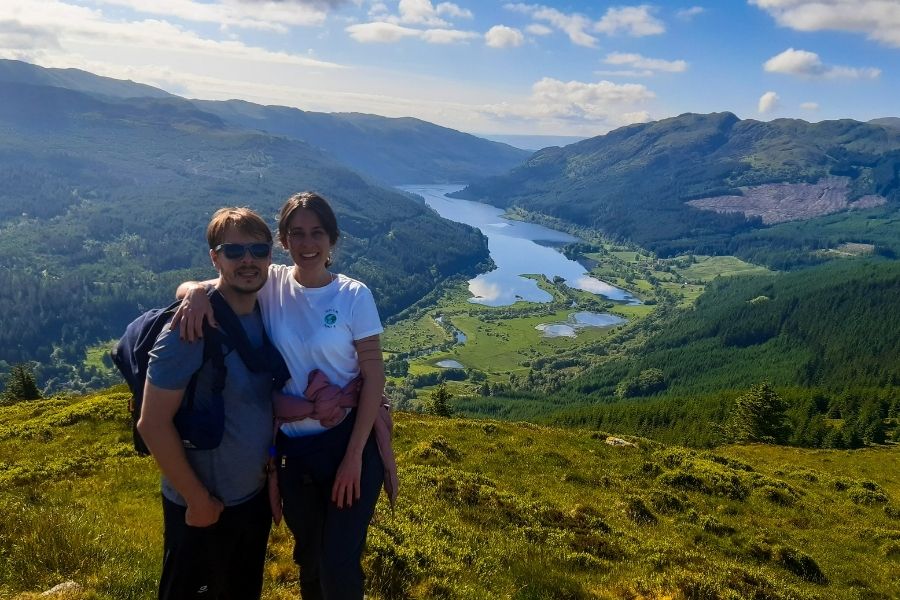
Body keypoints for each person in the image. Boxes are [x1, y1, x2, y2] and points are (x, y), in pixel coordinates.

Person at [174, 192, 393, 600]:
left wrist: (352, 460)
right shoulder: (270, 281)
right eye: (297, 234)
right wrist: (194, 295)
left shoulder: (353, 295)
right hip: (295, 453)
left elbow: (373, 373)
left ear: (332, 240)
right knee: (309, 559)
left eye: (317, 233)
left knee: (338, 564)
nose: (308, 243)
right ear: (284, 241)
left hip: (349, 443)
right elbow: (202, 283)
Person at [138, 207, 280, 600]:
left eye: (258, 249)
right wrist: (198, 501)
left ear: (271, 255)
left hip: (251, 503)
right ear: (214, 257)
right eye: (234, 251)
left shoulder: (263, 310)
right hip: (204, 507)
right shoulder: (189, 329)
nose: (248, 260)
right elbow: (152, 424)